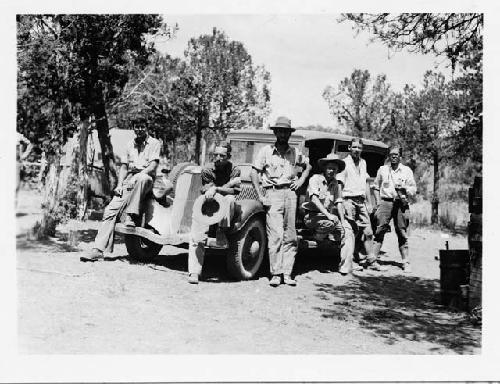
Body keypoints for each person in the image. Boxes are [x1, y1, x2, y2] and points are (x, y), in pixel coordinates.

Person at [81, 119, 161, 262]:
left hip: (147, 180)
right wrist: (119, 185)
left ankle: (131, 215)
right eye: (137, 127)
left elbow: (153, 166)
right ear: (134, 129)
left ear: (147, 128)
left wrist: (138, 175)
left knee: (142, 178)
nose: (140, 129)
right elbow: (124, 167)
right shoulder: (130, 144)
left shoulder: (155, 143)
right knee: (110, 211)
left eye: (142, 127)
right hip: (130, 180)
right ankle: (98, 250)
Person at [251, 116, 312, 287]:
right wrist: (260, 195)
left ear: (289, 134)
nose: (283, 134)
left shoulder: (295, 153)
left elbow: (308, 166)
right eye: (280, 131)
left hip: (291, 195)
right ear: (275, 132)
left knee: (291, 236)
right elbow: (254, 173)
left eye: (286, 131)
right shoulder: (266, 151)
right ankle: (276, 273)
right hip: (273, 194)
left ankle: (287, 273)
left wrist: (301, 180)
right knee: (276, 235)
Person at [188, 142, 241, 284]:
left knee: (229, 199)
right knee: (197, 233)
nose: (218, 158)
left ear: (229, 156)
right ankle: (194, 272)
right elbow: (208, 191)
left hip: (225, 205)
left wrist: (218, 189)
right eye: (215, 155)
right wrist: (220, 188)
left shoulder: (234, 170)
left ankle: (221, 230)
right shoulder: (207, 170)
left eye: (222, 155)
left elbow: (234, 191)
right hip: (209, 202)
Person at [303, 153, 356, 276]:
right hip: (312, 217)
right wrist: (328, 215)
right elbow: (314, 199)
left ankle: (344, 267)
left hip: (328, 217)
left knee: (348, 230)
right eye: (329, 167)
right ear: (324, 168)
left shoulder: (336, 184)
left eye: (334, 169)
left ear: (337, 170)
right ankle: (318, 237)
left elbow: (338, 202)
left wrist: (343, 222)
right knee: (330, 223)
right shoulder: (315, 179)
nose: (331, 171)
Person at [336, 138, 385, 271]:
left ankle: (371, 260)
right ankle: (349, 262)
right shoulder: (344, 163)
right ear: (350, 148)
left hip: (361, 201)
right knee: (350, 233)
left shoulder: (363, 163)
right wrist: (340, 202)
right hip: (348, 201)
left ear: (362, 150)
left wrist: (369, 203)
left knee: (368, 232)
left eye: (359, 148)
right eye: (354, 147)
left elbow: (366, 184)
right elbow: (339, 184)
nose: (357, 150)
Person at [371, 146, 417, 273]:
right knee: (379, 230)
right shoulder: (383, 169)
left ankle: (406, 262)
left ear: (400, 156)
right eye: (391, 154)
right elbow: (375, 186)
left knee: (402, 232)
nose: (394, 156)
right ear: (388, 156)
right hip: (385, 202)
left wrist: (405, 190)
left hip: (401, 204)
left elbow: (413, 190)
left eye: (396, 154)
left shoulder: (406, 171)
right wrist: (378, 202)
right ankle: (373, 260)